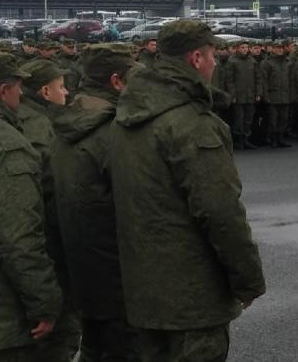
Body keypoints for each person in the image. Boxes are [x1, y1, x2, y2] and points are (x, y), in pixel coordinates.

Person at [110, 20, 266, 359]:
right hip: (192, 295)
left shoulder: (129, 113)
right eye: (213, 56)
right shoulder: (191, 123)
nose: (215, 64)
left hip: (143, 290)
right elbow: (220, 211)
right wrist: (247, 279)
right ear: (197, 58)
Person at [0, 49, 63, 360]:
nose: (22, 94)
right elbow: (18, 239)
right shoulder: (4, 147)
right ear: (3, 91)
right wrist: (44, 303)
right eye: (19, 87)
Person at [52, 43, 138, 361]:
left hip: (83, 271)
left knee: (95, 347)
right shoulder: (114, 129)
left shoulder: (72, 118)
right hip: (118, 275)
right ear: (117, 81)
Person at [15, 59, 80, 361]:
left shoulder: (19, 116)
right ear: (44, 91)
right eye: (61, 87)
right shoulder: (43, 127)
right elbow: (54, 192)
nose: (66, 93)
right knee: (58, 336)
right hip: (47, 247)